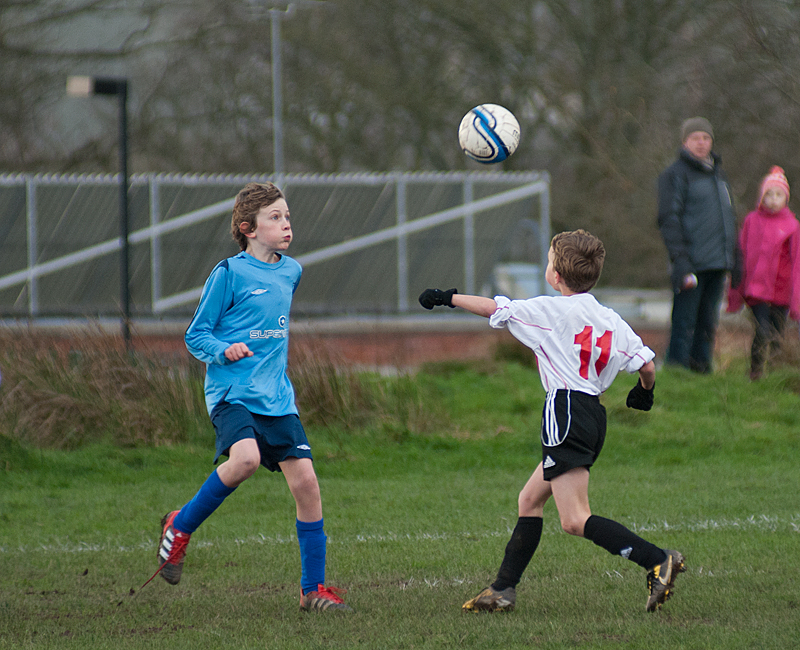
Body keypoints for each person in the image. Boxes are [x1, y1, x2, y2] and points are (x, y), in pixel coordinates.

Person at [419, 230, 685, 613]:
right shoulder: (609, 318)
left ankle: (657, 560)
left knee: (575, 519)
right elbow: (645, 363)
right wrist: (645, 392)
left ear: (556, 276)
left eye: (548, 260)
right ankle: (502, 590)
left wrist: (448, 298)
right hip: (594, 416)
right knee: (529, 500)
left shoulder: (549, 311)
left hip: (564, 411)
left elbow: (496, 308)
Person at [144, 182, 351, 612]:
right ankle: (179, 527)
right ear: (248, 228)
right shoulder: (228, 274)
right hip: (232, 393)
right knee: (245, 460)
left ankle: (312, 591)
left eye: (287, 216)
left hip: (277, 397)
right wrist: (224, 349)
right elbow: (195, 334)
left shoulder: (292, 271)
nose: (286, 223)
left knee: (308, 484)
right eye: (274, 217)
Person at [658, 117, 738, 373]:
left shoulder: (719, 176)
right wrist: (680, 260)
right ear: (685, 142)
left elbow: (728, 219)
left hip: (717, 262)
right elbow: (669, 219)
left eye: (706, 138)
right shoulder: (674, 175)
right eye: (696, 138)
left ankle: (702, 370)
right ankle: (677, 371)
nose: (702, 143)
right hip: (691, 262)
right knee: (684, 322)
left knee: (708, 321)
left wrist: (734, 258)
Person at [727, 166, 800, 380]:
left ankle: (777, 373)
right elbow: (742, 255)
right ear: (762, 197)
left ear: (785, 198)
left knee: (777, 333)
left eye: (778, 195)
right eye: (769, 194)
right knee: (762, 330)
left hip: (781, 290)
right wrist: (735, 294)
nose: (773, 200)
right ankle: (755, 371)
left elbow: (796, 264)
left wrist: (796, 302)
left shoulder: (792, 226)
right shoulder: (752, 221)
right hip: (756, 290)